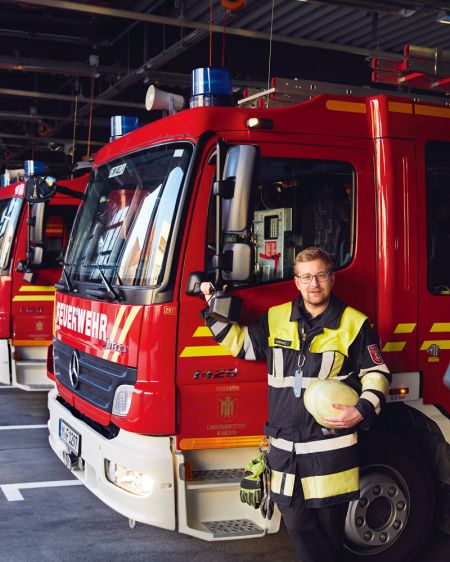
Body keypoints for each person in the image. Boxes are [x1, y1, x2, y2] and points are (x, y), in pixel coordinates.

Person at [200, 247, 391, 562]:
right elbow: (241, 344)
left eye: (319, 275)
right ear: (296, 282)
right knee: (298, 524)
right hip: (284, 449)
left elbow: (377, 374)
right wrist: (212, 307)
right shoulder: (276, 318)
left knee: (329, 533)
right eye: (306, 277)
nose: (313, 283)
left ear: (331, 278)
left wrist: (363, 410)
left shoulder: (354, 324)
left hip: (331, 452)